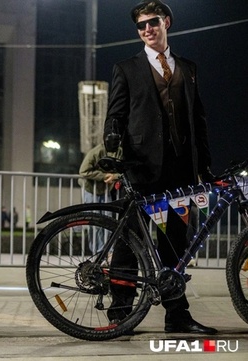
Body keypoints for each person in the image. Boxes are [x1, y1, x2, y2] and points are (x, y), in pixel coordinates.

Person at [103, 1, 216, 334]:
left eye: (153, 22)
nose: (147, 29)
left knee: (175, 243)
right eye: (141, 26)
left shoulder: (188, 68)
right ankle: (120, 313)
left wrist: (204, 166)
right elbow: (116, 114)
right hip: (140, 169)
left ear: (167, 22)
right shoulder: (126, 68)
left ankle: (177, 315)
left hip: (180, 172)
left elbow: (199, 121)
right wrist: (112, 137)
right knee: (128, 242)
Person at [78, 143, 121, 252]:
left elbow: (122, 170)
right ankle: (97, 252)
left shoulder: (119, 151)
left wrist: (114, 176)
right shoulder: (96, 152)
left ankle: (109, 252)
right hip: (91, 190)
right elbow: (83, 171)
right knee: (94, 222)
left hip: (106, 191)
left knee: (108, 221)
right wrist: (103, 176)